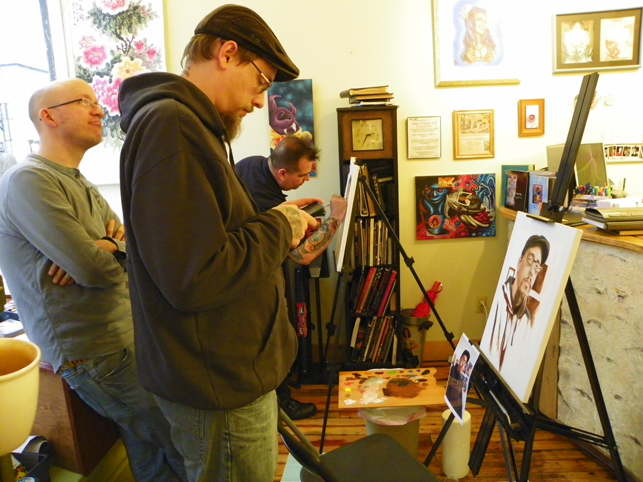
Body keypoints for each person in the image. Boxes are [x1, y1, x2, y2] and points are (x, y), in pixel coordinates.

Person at [117, 5, 318, 482]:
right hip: (216, 383)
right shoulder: (172, 126)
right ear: (227, 54)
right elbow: (197, 276)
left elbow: (207, 243)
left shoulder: (188, 126)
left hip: (221, 374)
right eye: (262, 81)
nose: (260, 101)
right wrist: (281, 225)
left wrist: (273, 226)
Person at [0, 78, 186, 482]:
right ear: (48, 117)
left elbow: (132, 247)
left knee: (152, 451)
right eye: (83, 101)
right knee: (175, 442)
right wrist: (101, 251)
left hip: (120, 337)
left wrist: (107, 245)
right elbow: (91, 269)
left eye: (95, 100)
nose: (98, 109)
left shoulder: (76, 180)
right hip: (93, 350)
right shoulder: (29, 180)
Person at [236, 135, 348, 419]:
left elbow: (266, 213)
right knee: (275, 343)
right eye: (302, 175)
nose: (306, 180)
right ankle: (282, 405)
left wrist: (294, 208)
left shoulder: (253, 165)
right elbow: (302, 256)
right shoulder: (265, 198)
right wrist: (336, 218)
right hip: (252, 285)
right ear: (283, 173)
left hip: (243, 277)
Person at [487, 235, 550, 371]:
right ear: (519, 262)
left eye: (537, 266)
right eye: (530, 260)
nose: (532, 272)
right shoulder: (500, 300)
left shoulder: (526, 320)